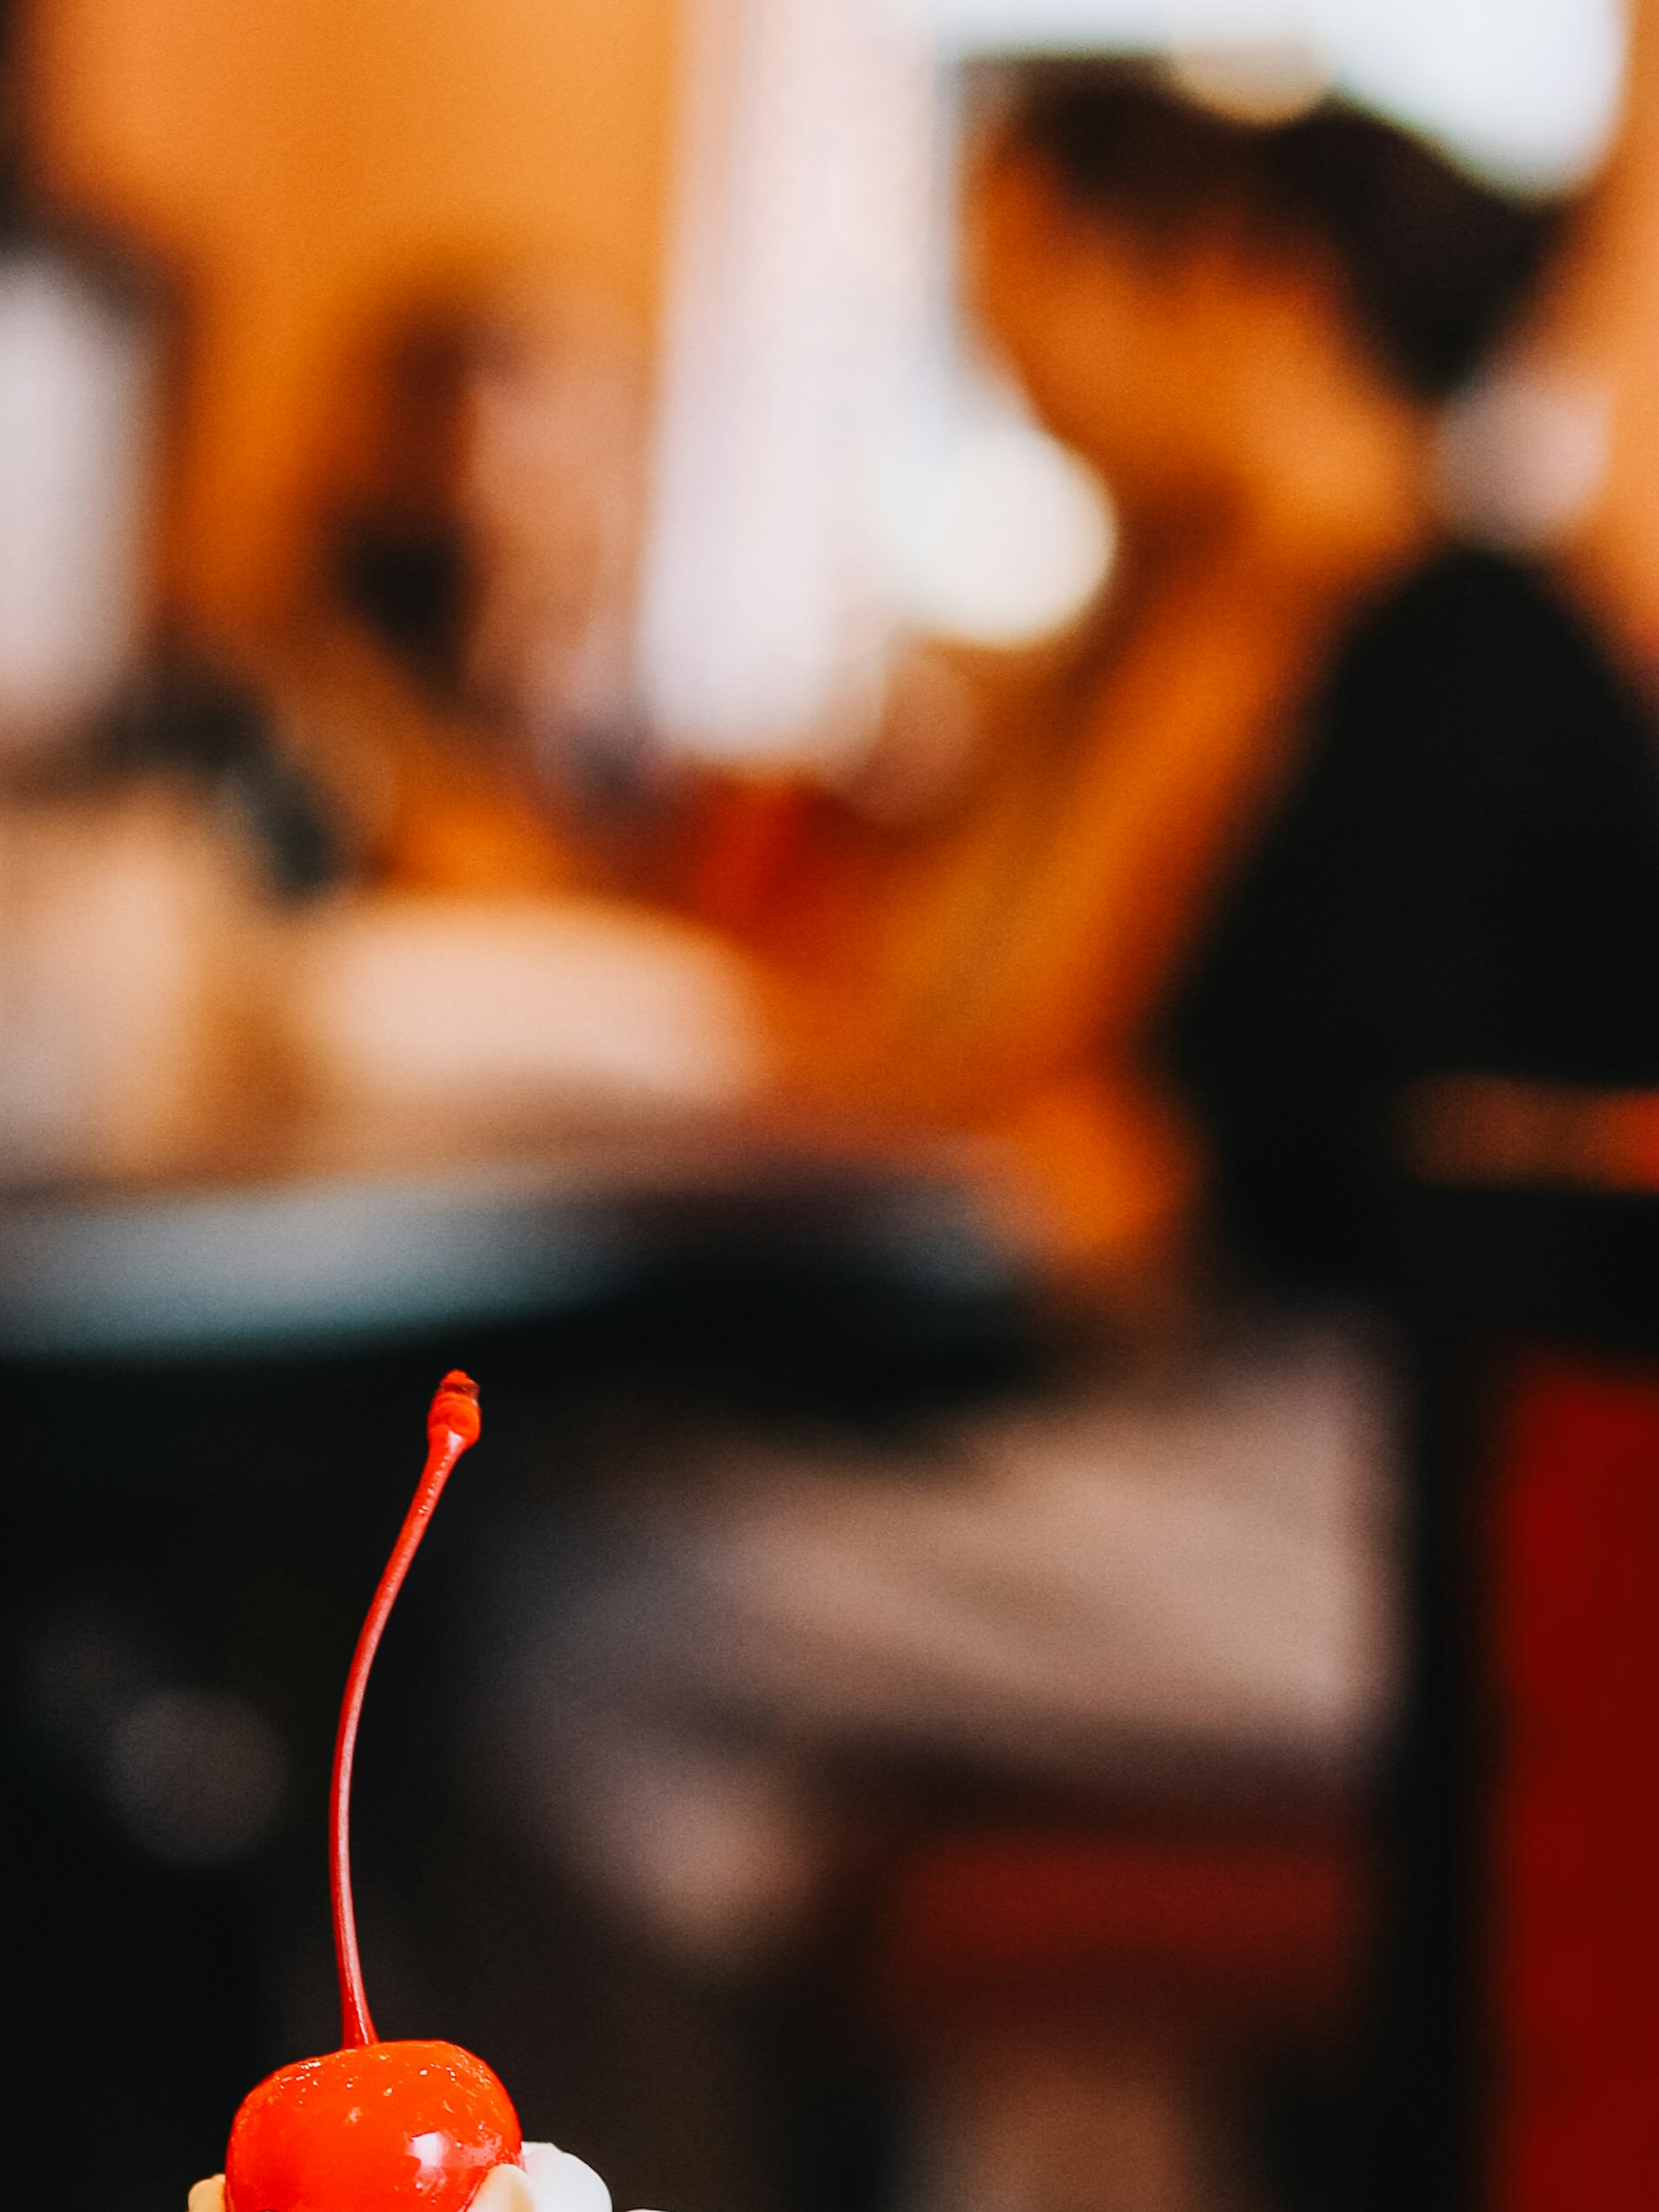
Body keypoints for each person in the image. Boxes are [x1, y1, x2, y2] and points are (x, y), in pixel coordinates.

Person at [497, 62, 1659, 1983]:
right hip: (1307, 1450)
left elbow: (1268, 1167)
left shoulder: (1457, 661)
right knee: (618, 1553)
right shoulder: (1311, 638)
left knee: (587, 1617)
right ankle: (860, 2192)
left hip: (1392, 1504)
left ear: (1262, 289)